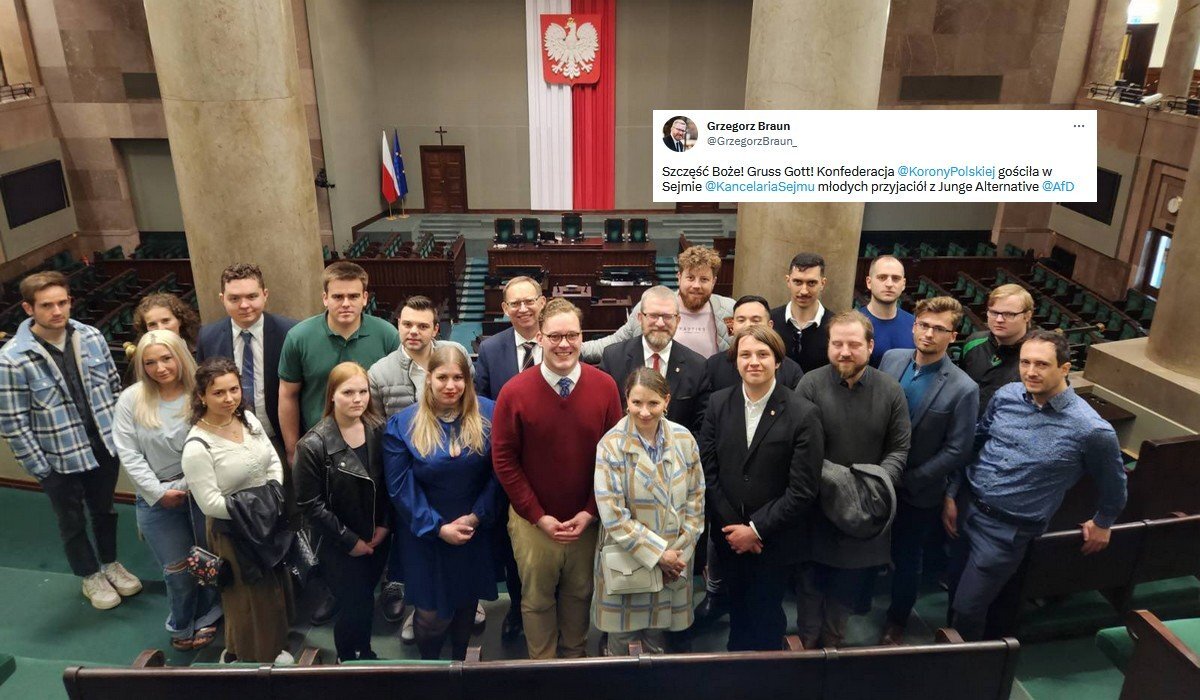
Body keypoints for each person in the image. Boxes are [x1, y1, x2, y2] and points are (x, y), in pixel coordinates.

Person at [945, 330, 1127, 641]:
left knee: (967, 607)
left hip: (1007, 530)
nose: (1030, 372)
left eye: (1042, 364)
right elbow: (976, 442)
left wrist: (1103, 521)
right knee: (954, 590)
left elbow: (1114, 484)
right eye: (1025, 362)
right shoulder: (1007, 395)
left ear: (1065, 368)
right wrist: (951, 493)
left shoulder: (1091, 430)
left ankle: (966, 663)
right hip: (967, 508)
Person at [0, 271, 142, 609]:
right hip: (57, 457)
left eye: (62, 302)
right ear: (28, 308)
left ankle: (110, 563)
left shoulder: (91, 336)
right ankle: (90, 574)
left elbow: (113, 387)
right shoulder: (11, 358)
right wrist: (41, 468)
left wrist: (118, 437)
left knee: (105, 511)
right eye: (47, 305)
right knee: (72, 520)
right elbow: (13, 422)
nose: (57, 311)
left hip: (102, 446)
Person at [492, 298, 623, 659]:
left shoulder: (606, 387)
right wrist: (537, 515)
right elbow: (504, 460)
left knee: (580, 594)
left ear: (582, 337)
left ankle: (574, 660)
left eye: (572, 335)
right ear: (539, 337)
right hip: (533, 523)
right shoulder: (514, 391)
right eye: (555, 336)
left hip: (586, 521)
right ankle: (543, 666)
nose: (564, 344)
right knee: (536, 599)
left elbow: (615, 457)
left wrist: (590, 512)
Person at [277, 261, 399, 626]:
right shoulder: (300, 336)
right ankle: (335, 588)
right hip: (323, 452)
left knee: (380, 514)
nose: (345, 303)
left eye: (353, 296)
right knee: (330, 521)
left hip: (372, 443)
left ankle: (390, 583)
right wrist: (292, 448)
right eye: (338, 296)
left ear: (365, 297)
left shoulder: (385, 334)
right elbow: (288, 394)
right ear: (324, 297)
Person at [699, 325, 823, 651]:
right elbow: (708, 471)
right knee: (737, 609)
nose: (754, 361)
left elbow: (802, 488)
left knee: (766, 613)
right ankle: (736, 663)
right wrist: (734, 529)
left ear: (778, 361)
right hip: (728, 536)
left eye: (763, 354)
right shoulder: (717, 404)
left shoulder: (803, 413)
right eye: (745, 354)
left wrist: (755, 530)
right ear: (735, 361)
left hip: (775, 539)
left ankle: (767, 671)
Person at [796, 311, 910, 648]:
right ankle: (806, 649)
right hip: (816, 505)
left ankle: (832, 648)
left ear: (870, 346)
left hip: (866, 509)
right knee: (810, 586)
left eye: (854, 344)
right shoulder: (810, 385)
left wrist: (872, 488)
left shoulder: (890, 390)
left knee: (845, 590)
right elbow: (800, 448)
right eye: (837, 344)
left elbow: (899, 448)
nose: (844, 352)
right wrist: (835, 484)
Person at [384, 346, 500, 660]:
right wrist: (438, 528)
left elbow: (499, 473)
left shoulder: (490, 414)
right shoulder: (403, 423)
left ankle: (459, 664)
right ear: (429, 378)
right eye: (442, 377)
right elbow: (399, 486)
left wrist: (476, 517)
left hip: (472, 529)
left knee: (466, 603)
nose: (450, 385)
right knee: (430, 616)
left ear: (468, 380)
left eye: (458, 378)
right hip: (425, 534)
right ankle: (432, 670)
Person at [369, 294, 475, 635]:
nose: (413, 331)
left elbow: (469, 402)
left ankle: (465, 600)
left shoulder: (455, 356)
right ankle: (420, 605)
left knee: (460, 541)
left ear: (435, 329)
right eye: (407, 324)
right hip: (408, 471)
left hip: (453, 465)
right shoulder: (380, 371)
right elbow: (377, 424)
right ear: (398, 325)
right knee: (416, 546)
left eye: (422, 326)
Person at [877, 297, 978, 645]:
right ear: (914, 326)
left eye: (939, 328)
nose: (929, 334)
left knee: (907, 559)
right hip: (878, 479)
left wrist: (913, 479)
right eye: (923, 325)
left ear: (953, 335)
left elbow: (958, 449)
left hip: (918, 490)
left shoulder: (963, 387)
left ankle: (897, 619)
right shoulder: (892, 359)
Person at [113, 330, 222, 650]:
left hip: (201, 489)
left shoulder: (201, 392)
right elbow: (128, 453)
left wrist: (188, 485)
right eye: (150, 362)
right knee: (177, 569)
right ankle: (181, 622)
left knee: (206, 561)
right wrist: (159, 492)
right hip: (156, 497)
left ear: (180, 357)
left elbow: (217, 440)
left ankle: (207, 614)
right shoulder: (131, 398)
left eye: (166, 358)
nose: (160, 368)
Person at [182, 357, 293, 664]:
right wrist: (261, 508)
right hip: (232, 530)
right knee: (246, 597)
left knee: (271, 587)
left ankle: (272, 646)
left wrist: (271, 497)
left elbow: (273, 461)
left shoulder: (248, 419)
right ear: (202, 396)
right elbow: (210, 504)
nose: (229, 398)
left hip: (264, 518)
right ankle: (251, 657)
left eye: (234, 389)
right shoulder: (197, 446)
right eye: (218, 392)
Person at [592, 367, 705, 656]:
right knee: (621, 645)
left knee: (658, 643)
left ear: (666, 401)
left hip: (675, 562)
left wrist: (678, 555)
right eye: (636, 402)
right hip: (628, 561)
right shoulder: (610, 445)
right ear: (626, 399)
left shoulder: (684, 439)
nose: (644, 412)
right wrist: (659, 555)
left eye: (653, 403)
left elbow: (696, 500)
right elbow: (613, 516)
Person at [293, 362, 391, 662]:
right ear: (332, 395)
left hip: (377, 537)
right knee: (353, 604)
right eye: (348, 392)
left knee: (365, 599)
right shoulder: (313, 445)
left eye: (363, 392)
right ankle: (348, 660)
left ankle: (365, 654)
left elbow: (389, 484)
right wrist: (350, 541)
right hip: (338, 545)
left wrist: (385, 525)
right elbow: (310, 505)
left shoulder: (378, 429)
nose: (357, 399)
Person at [472, 275, 546, 641]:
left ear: (542, 302)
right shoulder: (491, 348)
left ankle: (552, 607)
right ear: (504, 308)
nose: (523, 308)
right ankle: (517, 608)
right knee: (513, 546)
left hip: (552, 464)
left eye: (529, 300)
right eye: (514, 303)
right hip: (509, 467)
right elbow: (481, 406)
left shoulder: (558, 340)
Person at [196, 262, 297, 452]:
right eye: (234, 298)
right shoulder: (208, 337)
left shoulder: (291, 333)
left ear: (265, 295)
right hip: (229, 442)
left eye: (252, 296)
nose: (244, 305)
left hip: (281, 439)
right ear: (222, 299)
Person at [582, 246, 734, 361]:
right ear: (679, 277)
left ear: (713, 282)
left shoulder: (729, 310)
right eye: (690, 278)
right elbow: (616, 342)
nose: (696, 285)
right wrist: (576, 348)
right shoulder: (651, 306)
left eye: (704, 279)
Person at [598, 286, 708, 432]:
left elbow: (701, 428)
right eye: (653, 315)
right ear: (640, 318)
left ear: (678, 320)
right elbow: (604, 419)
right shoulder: (613, 359)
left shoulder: (697, 366)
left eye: (667, 316)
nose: (660, 323)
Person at [700, 294, 804, 393]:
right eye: (741, 320)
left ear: (770, 325)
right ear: (732, 326)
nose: (748, 325)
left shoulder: (791, 370)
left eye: (756, 320)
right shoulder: (713, 366)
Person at [959, 283, 1033, 411]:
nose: (999, 320)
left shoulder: (1039, 354)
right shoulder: (973, 343)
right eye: (994, 312)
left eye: (1009, 314)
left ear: (1027, 316)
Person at [769, 252, 835, 373]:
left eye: (811, 283)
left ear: (822, 283)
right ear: (788, 281)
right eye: (798, 282)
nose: (804, 291)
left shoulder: (835, 326)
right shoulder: (770, 321)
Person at [860, 256, 915, 367]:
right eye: (882, 277)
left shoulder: (915, 324)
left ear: (903, 284)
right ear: (869, 282)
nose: (889, 284)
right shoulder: (853, 323)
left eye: (896, 278)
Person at [133, 292, 201, 350]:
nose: (161, 329)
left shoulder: (200, 350)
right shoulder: (140, 357)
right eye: (152, 325)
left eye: (165, 321)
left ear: (179, 321)